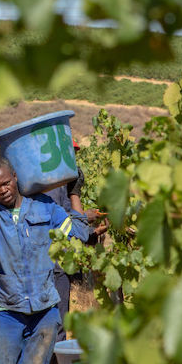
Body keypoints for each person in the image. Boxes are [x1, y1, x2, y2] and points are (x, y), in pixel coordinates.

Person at [0, 132, 92, 364]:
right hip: (7, 312)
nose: (3, 190)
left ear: (15, 177)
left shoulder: (45, 207)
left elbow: (78, 234)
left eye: (6, 182)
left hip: (45, 311)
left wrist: (74, 193)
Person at [45, 140, 109, 343]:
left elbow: (68, 226)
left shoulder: (62, 182)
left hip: (60, 260)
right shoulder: (50, 185)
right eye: (68, 154)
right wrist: (84, 217)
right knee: (56, 322)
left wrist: (91, 232)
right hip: (51, 261)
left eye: (73, 153)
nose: (72, 159)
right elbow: (55, 221)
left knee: (58, 320)